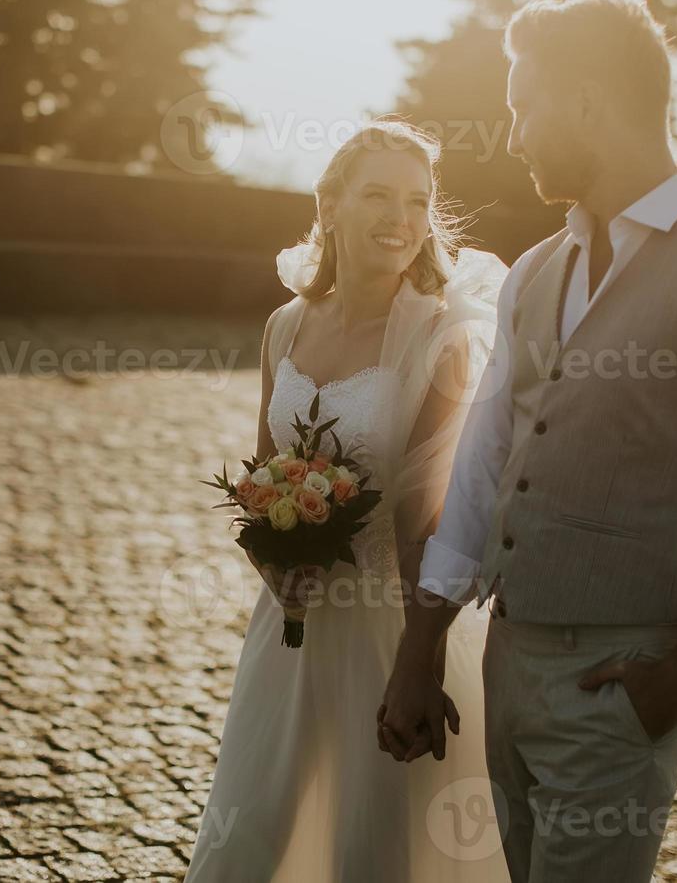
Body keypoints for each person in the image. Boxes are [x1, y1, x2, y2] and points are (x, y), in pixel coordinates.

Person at [379, 0, 677, 883]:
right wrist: (419, 651)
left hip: (621, 681)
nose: (514, 137)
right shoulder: (538, 273)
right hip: (505, 662)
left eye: (524, 108)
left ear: (586, 100)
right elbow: (482, 466)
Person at [184, 119, 513, 882]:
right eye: (377, 196)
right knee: (261, 825)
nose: (400, 219)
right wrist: (272, 556)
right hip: (289, 628)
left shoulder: (443, 340)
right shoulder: (286, 325)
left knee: (380, 842)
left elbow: (428, 518)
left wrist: (416, 662)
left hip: (393, 626)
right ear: (330, 206)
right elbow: (263, 474)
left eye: (417, 200)